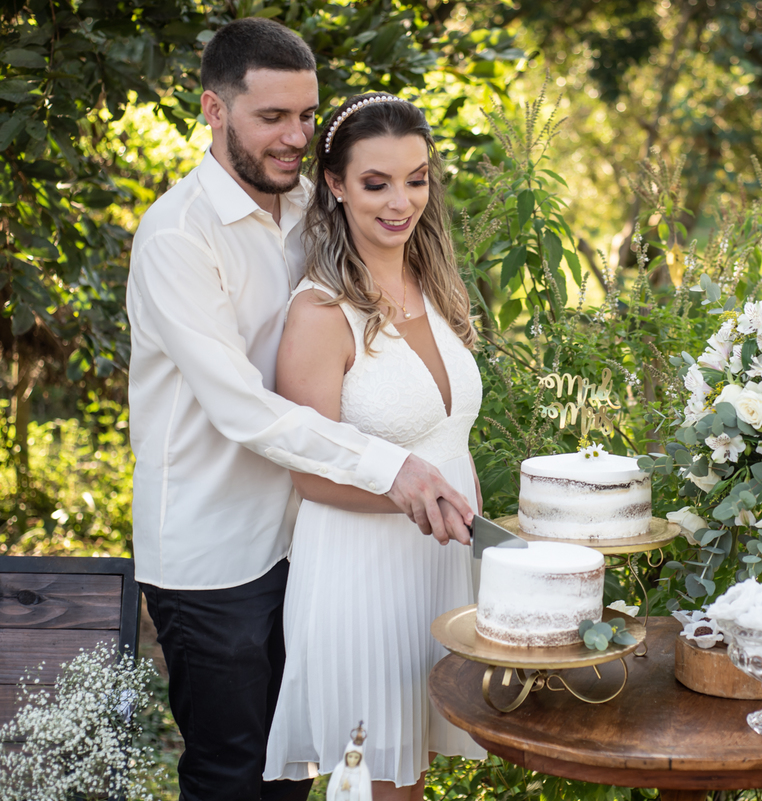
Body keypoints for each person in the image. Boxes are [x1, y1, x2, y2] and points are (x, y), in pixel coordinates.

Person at [127, 19, 473, 801]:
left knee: (297, 770)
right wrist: (391, 466)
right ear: (214, 110)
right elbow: (242, 407)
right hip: (213, 547)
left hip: (308, 540)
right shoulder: (178, 237)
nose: (295, 137)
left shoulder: (309, 207)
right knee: (232, 773)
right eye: (272, 117)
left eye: (307, 115)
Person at [262, 92, 486, 801]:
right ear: (335, 184)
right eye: (376, 183)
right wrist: (418, 497)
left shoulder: (435, 285)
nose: (401, 202)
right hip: (361, 576)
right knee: (377, 784)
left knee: (411, 779)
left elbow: (449, 438)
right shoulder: (321, 311)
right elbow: (310, 475)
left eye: (415, 180)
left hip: (440, 564)